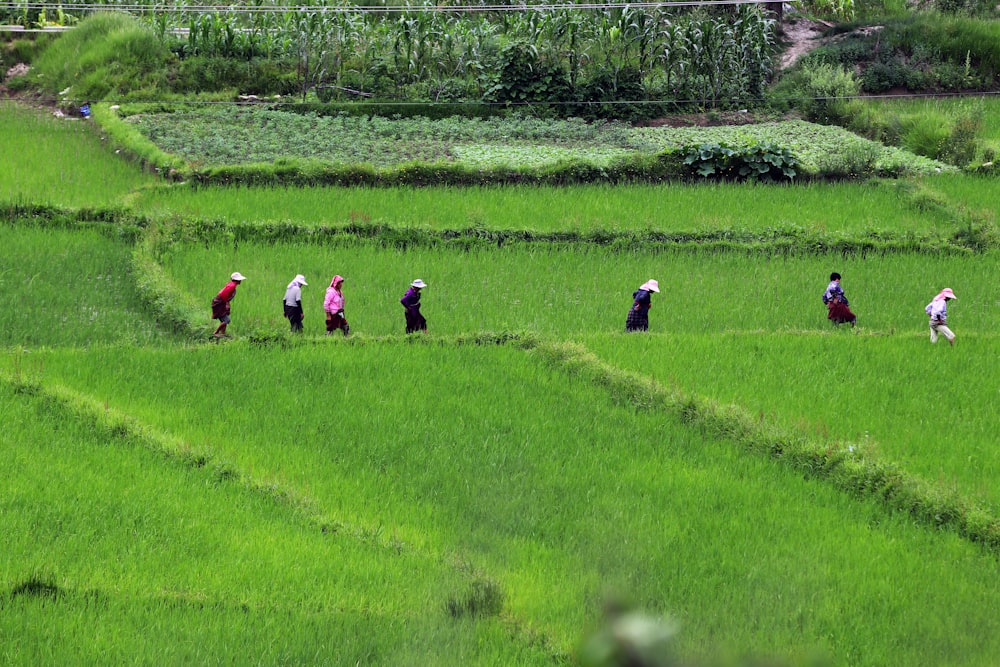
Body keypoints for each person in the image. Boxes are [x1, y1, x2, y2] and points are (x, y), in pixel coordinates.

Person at [211, 271, 245, 338]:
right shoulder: (232, 286)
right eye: (240, 279)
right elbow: (224, 295)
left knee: (224, 318)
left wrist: (227, 304)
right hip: (219, 303)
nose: (241, 281)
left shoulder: (231, 285)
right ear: (237, 280)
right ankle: (216, 332)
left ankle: (223, 334)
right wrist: (227, 304)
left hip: (220, 302)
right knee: (227, 320)